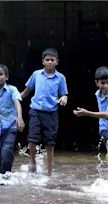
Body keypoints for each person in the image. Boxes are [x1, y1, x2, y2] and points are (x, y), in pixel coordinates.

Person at [21, 48, 68, 176]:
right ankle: (32, 161)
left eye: (52, 60)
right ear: (43, 61)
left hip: (51, 113)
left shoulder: (61, 78)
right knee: (32, 139)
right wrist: (16, 97)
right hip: (35, 111)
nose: (49, 62)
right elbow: (27, 91)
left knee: (50, 142)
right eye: (47, 60)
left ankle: (49, 171)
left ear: (57, 62)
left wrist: (64, 98)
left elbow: (64, 94)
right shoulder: (36, 74)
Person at [73, 66, 108, 173]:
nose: (105, 86)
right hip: (104, 126)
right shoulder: (98, 94)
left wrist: (86, 113)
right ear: (97, 83)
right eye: (102, 83)